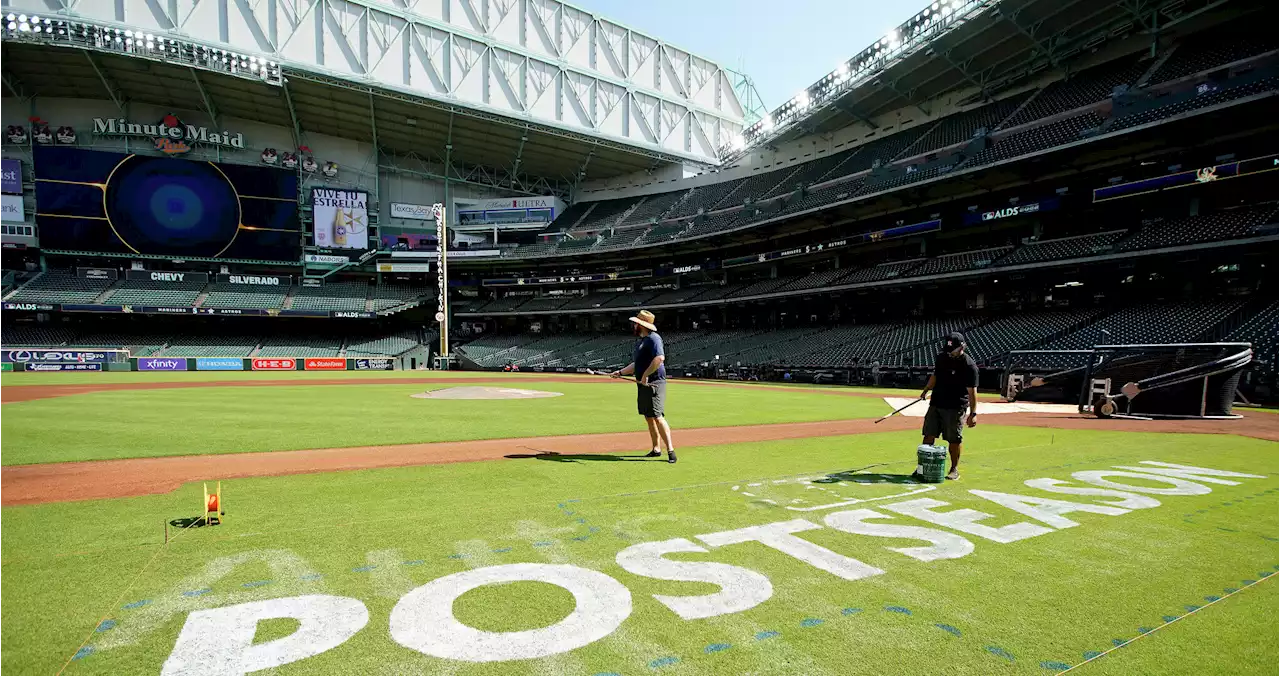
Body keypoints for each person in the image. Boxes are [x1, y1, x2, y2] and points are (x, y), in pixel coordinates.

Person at [610, 310, 676, 463]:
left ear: (641, 325)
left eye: (636, 323)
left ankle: (671, 451)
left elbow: (659, 359)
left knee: (658, 416)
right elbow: (636, 364)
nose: (634, 325)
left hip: (654, 383)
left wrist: (646, 375)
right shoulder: (641, 341)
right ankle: (656, 448)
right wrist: (621, 372)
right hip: (643, 383)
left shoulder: (654, 339)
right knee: (649, 417)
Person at [916, 332, 978, 481]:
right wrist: (926, 390)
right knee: (929, 434)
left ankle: (954, 468)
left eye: (953, 349)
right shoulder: (942, 357)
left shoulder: (969, 366)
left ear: (962, 347)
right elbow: (935, 376)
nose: (950, 352)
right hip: (936, 403)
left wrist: (973, 414)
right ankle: (923, 467)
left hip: (956, 406)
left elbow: (972, 392)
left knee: (954, 439)